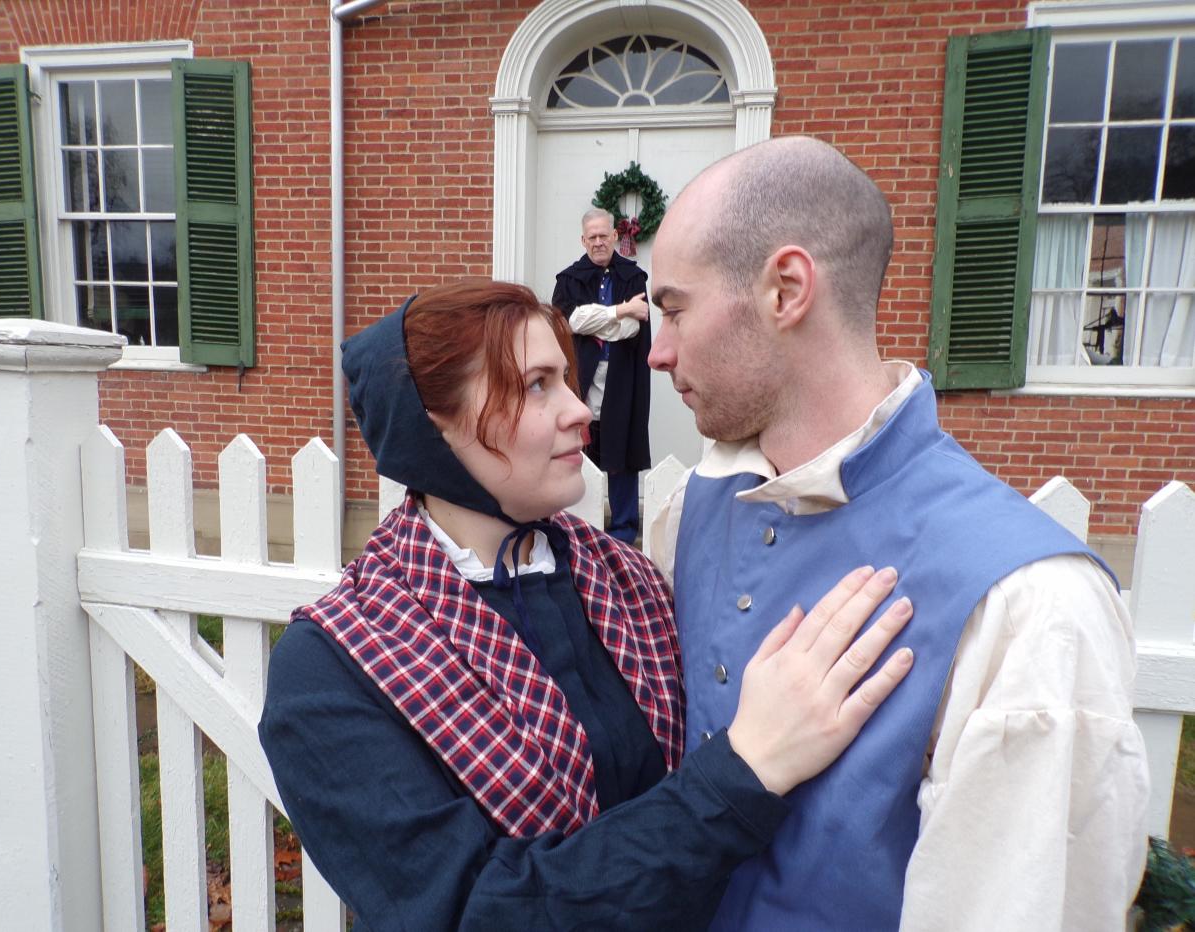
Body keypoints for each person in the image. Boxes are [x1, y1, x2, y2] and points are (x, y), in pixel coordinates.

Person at [258, 281, 916, 931]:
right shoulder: (334, 668)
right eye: (535, 384)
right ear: (430, 426)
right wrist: (744, 771)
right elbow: (468, 911)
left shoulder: (630, 579)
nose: (581, 411)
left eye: (566, 379)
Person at [646, 135, 1150, 931]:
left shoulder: (1033, 604)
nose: (657, 351)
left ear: (785, 289)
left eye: (674, 307)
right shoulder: (690, 512)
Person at [552, 207, 651, 543]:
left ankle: (623, 532)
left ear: (614, 237)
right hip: (582, 377)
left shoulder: (633, 278)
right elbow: (572, 322)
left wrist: (599, 320)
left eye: (603, 235)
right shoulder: (569, 280)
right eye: (591, 237)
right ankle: (580, 525)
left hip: (622, 375)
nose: (597, 242)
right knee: (581, 450)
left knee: (621, 452)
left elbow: (630, 331)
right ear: (583, 240)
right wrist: (620, 310)